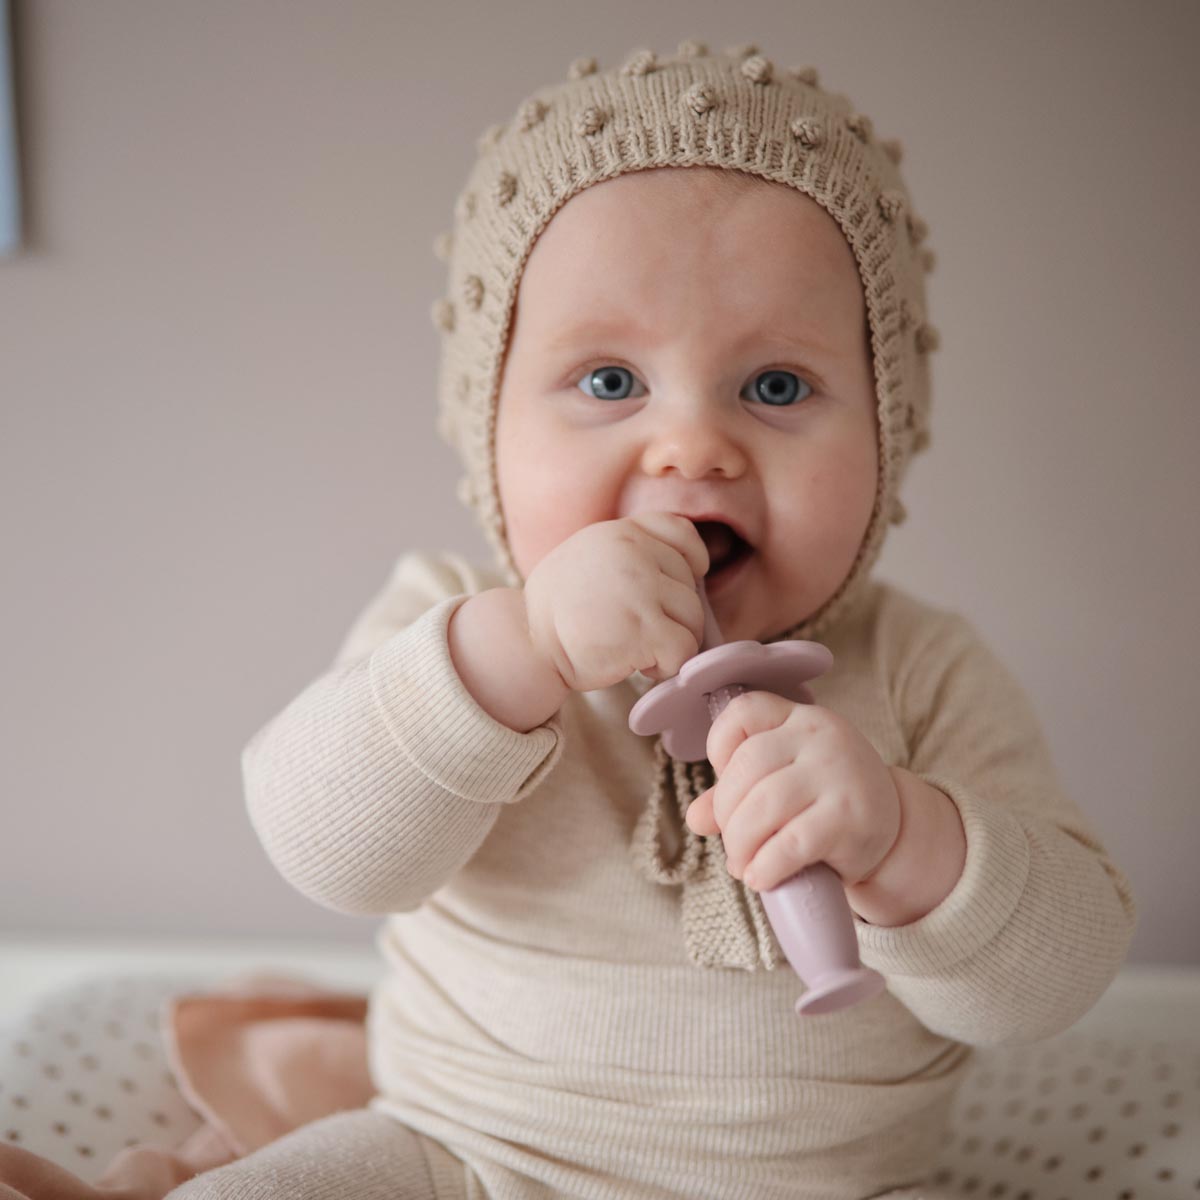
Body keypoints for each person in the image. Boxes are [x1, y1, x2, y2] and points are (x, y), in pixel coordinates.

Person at [170, 40, 1137, 1200]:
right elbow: (322, 848)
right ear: (490, 426)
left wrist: (903, 838)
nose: (693, 448)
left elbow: (1056, 980)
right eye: (611, 382)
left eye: (776, 386)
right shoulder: (454, 619)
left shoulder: (920, 668)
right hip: (458, 1158)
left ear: (886, 437)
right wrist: (517, 653)